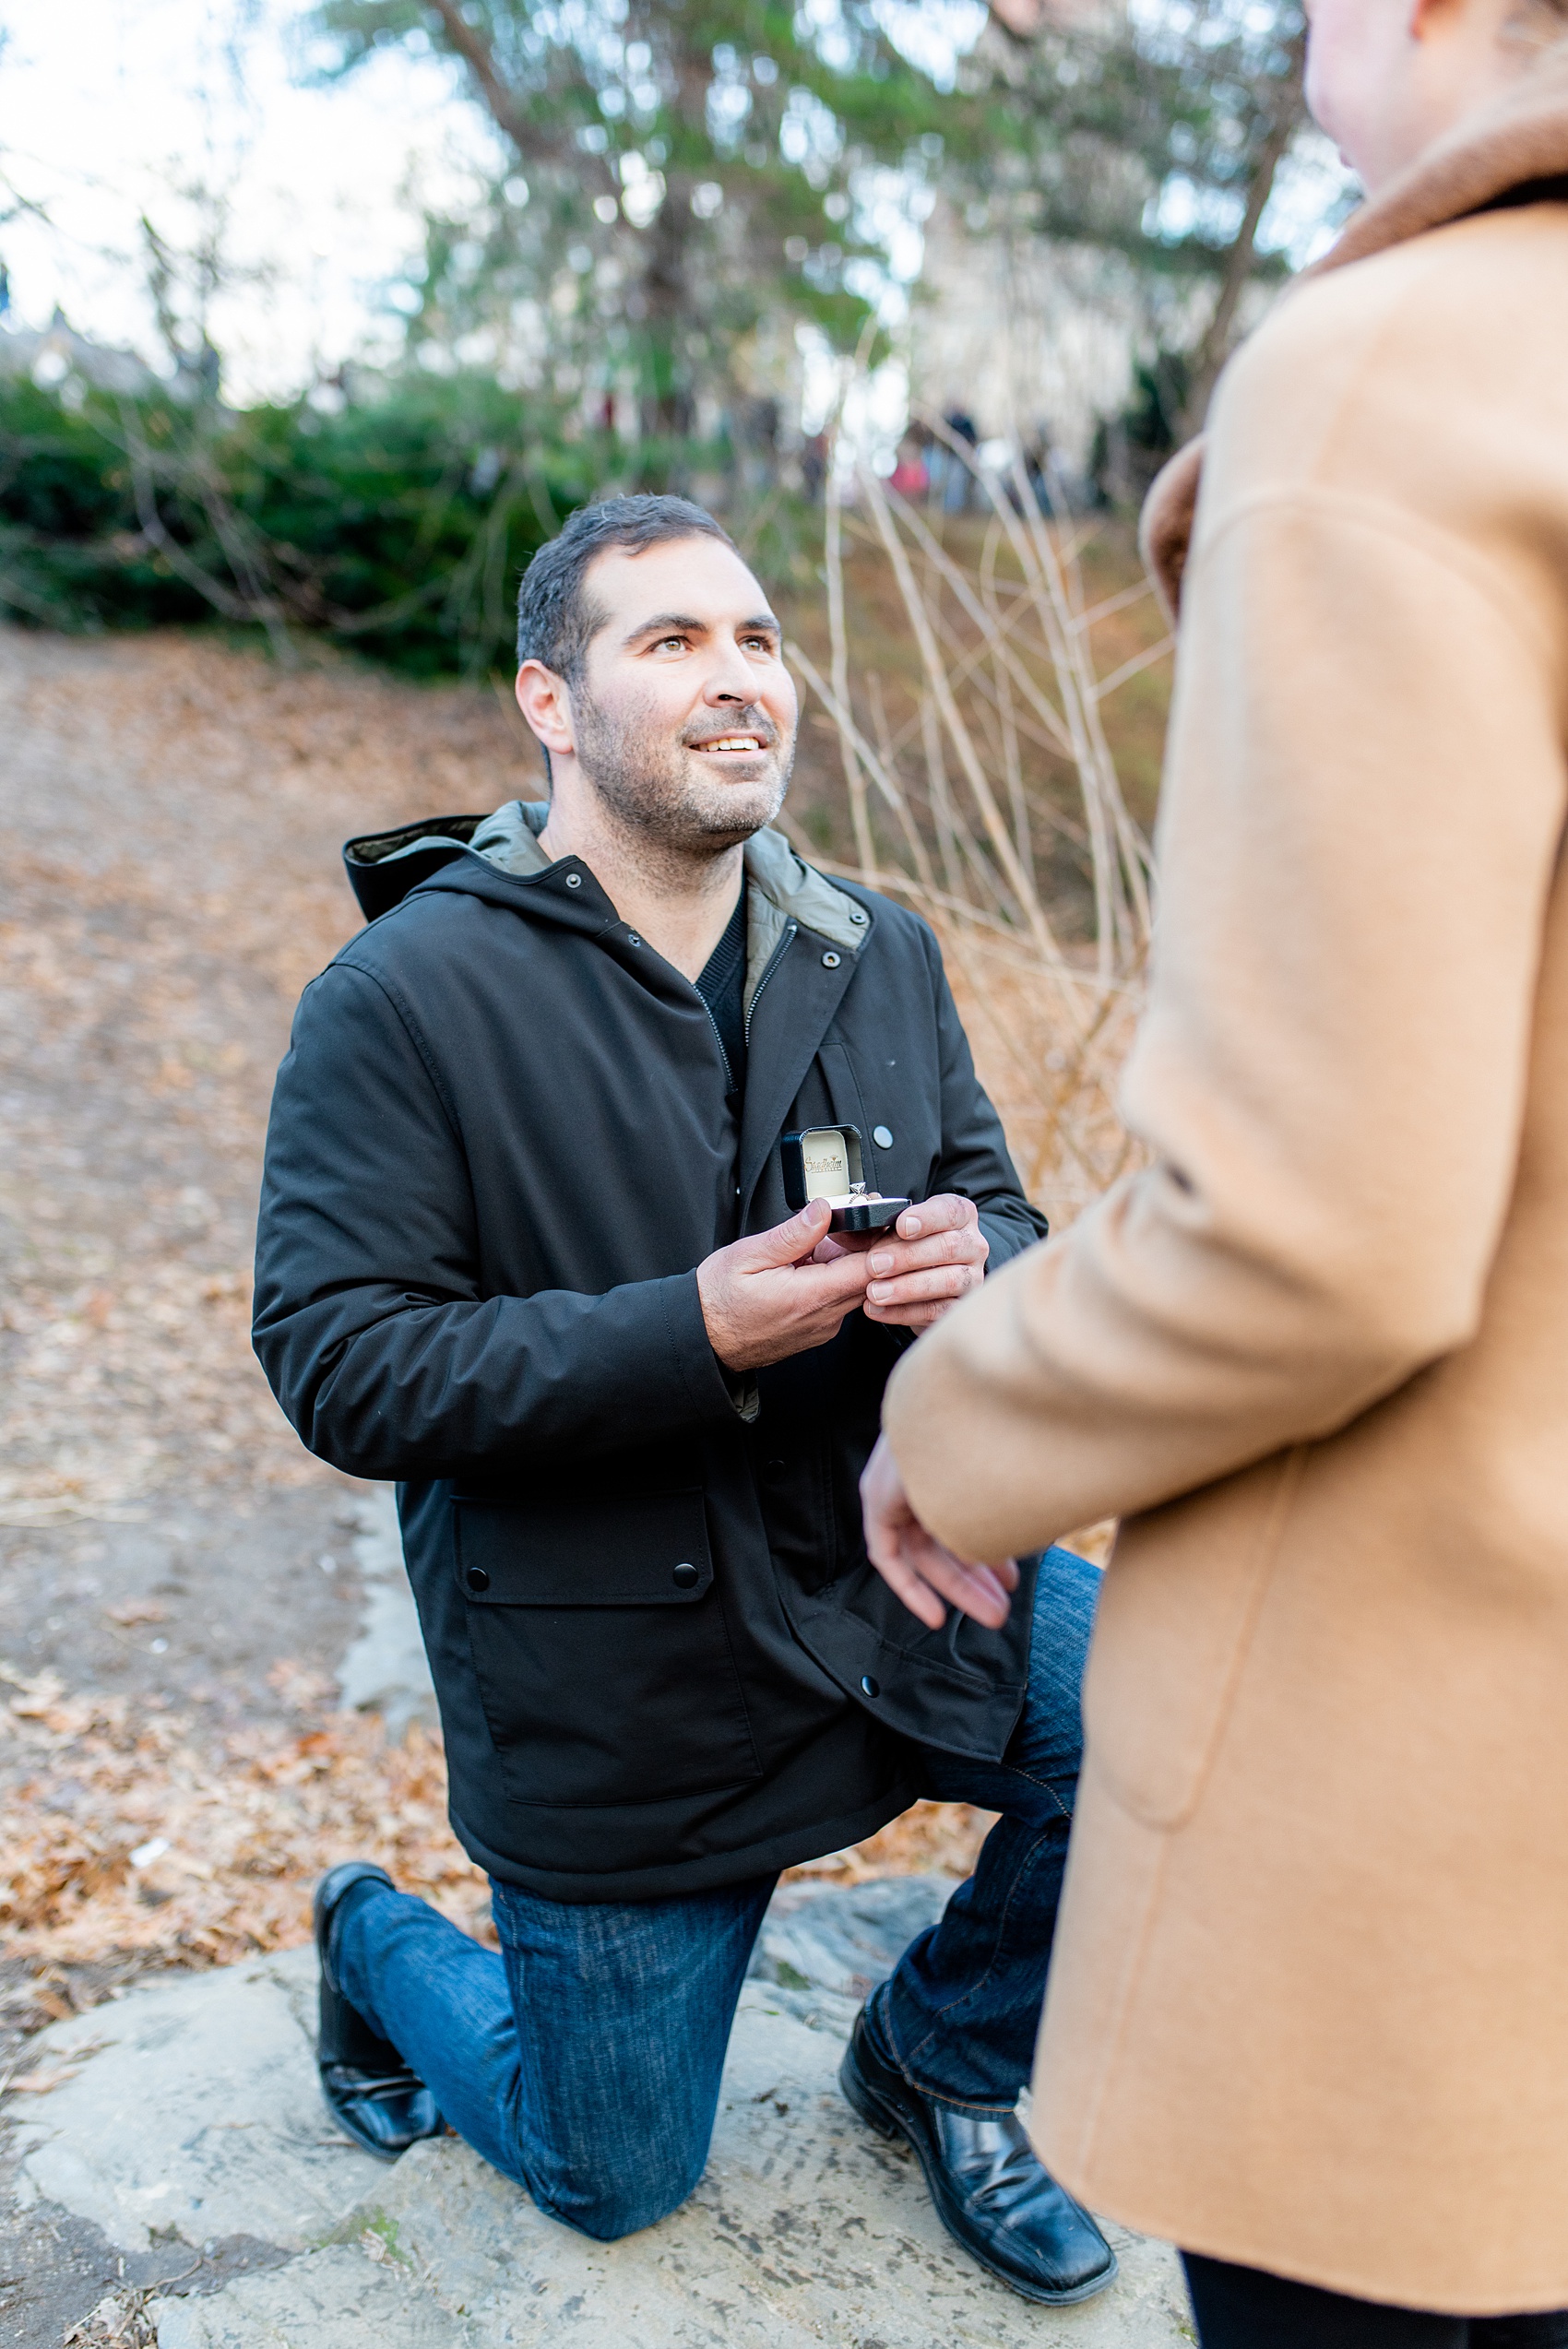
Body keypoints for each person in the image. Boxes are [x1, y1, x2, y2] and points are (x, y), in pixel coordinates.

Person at [865, 3, 1568, 2342]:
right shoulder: (426, 987)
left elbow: (1306, 1226)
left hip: (1437, 1846)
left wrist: (958, 1404)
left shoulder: (1398, 377)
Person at [251, 492, 1116, 2305]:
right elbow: (338, 1357)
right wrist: (691, 1330)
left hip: (893, 1566)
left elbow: (1006, 1205)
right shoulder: (403, 996)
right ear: (548, 702)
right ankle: (366, 1928)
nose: (740, 685)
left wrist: (990, 1264)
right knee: (612, 2171)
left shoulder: (878, 948)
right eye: (670, 643)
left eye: (758, 640)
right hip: (621, 1662)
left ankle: (942, 2057)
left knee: (1187, 1708)